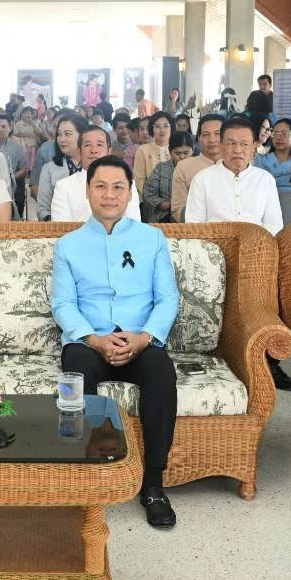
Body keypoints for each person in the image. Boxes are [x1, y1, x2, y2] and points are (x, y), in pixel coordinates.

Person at [52, 156, 180, 527]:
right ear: (88, 191)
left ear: (130, 192)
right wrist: (94, 339)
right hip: (88, 340)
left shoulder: (151, 238)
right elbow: (63, 303)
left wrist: (144, 339)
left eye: (118, 187)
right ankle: (86, 476)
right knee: (76, 372)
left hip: (140, 338)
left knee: (161, 370)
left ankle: (153, 484)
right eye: (100, 186)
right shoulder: (69, 244)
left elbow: (167, 298)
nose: (109, 195)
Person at [185, 116, 284, 235]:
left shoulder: (266, 180)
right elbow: (193, 224)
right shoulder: (202, 179)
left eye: (244, 144)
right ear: (221, 145)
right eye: (231, 143)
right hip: (213, 248)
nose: (237, 150)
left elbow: (274, 224)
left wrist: (256, 246)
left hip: (256, 248)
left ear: (253, 147)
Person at [51, 127, 141, 222]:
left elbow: (133, 224)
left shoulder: (127, 183)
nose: (94, 150)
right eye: (87, 145)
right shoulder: (64, 186)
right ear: (79, 152)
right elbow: (60, 229)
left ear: (109, 151)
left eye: (99, 145)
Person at [171, 114, 223, 222]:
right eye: (206, 134)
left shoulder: (235, 166)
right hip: (195, 231)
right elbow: (177, 210)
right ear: (198, 138)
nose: (212, 139)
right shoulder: (184, 167)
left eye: (217, 134)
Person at [35, 112, 85, 221]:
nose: (61, 139)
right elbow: (42, 209)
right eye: (59, 134)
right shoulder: (49, 169)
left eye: (67, 134)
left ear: (83, 135)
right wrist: (54, 225)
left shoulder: (97, 167)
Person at [144, 131, 194, 223]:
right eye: (178, 153)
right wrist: (164, 204)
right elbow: (149, 192)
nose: (182, 157)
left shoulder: (199, 169)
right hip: (164, 215)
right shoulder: (161, 168)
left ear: (193, 150)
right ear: (170, 151)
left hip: (193, 215)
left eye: (186, 153)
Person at [0, 114, 29, 218]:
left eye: (3, 126)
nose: (0, 130)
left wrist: (10, 178)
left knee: (18, 197)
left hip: (13, 183)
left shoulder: (17, 147)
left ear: (10, 128)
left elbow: (24, 169)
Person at [132, 111, 173, 198]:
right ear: (152, 129)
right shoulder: (142, 150)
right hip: (148, 200)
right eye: (157, 126)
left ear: (171, 128)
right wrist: (153, 199)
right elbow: (139, 179)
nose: (162, 130)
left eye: (166, 126)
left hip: (174, 200)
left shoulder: (176, 149)